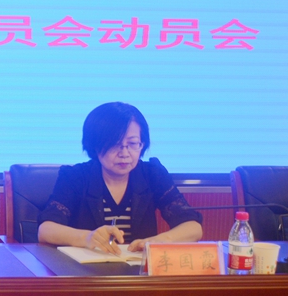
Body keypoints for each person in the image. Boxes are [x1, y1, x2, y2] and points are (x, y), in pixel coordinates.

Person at [37, 102, 202, 254]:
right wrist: (87, 237)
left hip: (138, 272)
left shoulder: (152, 174)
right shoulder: (75, 177)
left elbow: (193, 227)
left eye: (133, 144)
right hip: (84, 271)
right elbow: (46, 230)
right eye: (115, 144)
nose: (124, 153)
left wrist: (163, 240)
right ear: (95, 146)